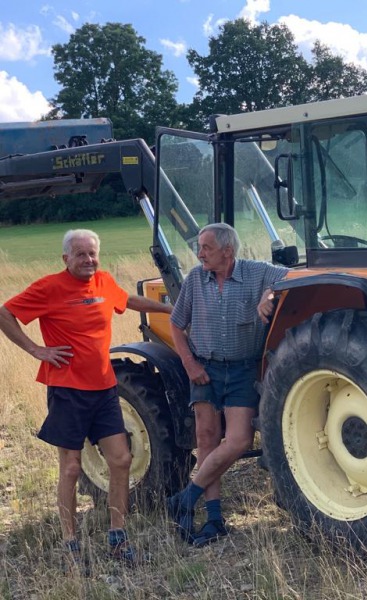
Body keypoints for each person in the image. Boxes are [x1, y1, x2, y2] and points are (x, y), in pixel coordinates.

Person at [0, 229, 173, 569]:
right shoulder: (49, 287)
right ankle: (70, 544)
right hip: (68, 391)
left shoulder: (103, 281)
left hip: (105, 389)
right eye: (80, 254)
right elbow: (5, 313)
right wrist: (36, 349)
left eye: (92, 253)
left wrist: (167, 308)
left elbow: (127, 300)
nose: (88, 260)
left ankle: (117, 537)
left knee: (121, 460)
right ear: (66, 258)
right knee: (71, 467)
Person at [167, 223, 288, 546]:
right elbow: (176, 325)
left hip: (242, 370)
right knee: (206, 438)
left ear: (227, 251)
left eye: (206, 248)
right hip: (204, 368)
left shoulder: (256, 272)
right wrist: (190, 364)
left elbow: (292, 276)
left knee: (238, 440)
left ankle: (186, 498)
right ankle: (214, 520)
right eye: (200, 248)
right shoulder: (196, 278)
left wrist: (270, 294)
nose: (199, 254)